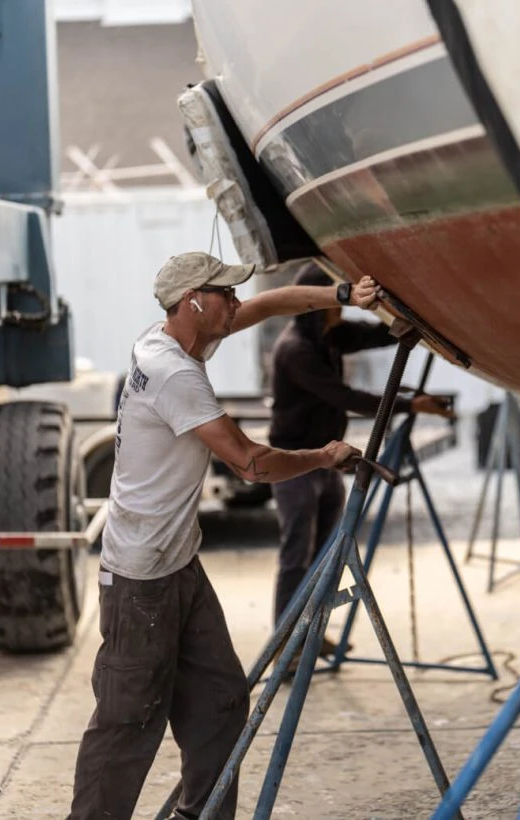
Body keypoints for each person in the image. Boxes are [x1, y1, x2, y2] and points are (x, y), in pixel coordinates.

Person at [67, 252, 381, 820]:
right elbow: (251, 464)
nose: (235, 305)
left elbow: (265, 304)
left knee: (221, 703)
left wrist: (342, 296)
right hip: (140, 581)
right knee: (128, 725)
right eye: (224, 296)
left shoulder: (176, 335)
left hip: (178, 563)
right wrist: (323, 456)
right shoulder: (174, 373)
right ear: (193, 302)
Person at [268, 266, 453, 642]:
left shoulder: (326, 336)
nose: (341, 309)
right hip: (295, 465)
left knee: (322, 558)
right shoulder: (297, 350)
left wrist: (413, 318)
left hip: (326, 462)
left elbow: (374, 335)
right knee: (295, 559)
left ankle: (310, 635)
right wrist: (411, 404)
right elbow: (346, 398)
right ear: (316, 305)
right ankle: (284, 641)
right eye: (335, 301)